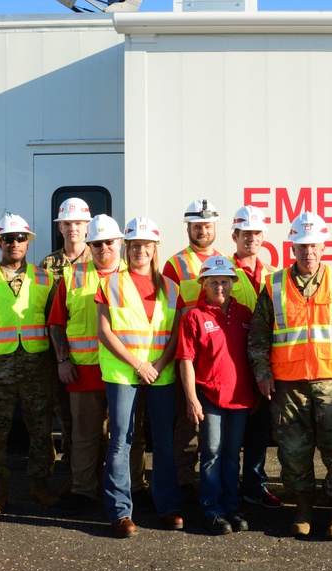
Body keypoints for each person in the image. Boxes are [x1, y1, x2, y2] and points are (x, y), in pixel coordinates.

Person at [248, 211, 332, 540]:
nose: (308, 252)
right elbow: (258, 335)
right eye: (302, 246)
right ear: (293, 248)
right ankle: (303, 510)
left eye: (313, 245)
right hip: (288, 386)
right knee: (293, 454)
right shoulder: (274, 284)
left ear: (322, 246)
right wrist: (262, 373)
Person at [0, 213, 60, 515]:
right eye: (8, 238)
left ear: (28, 242)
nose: (14, 243)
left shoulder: (46, 279)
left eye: (20, 238)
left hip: (37, 369)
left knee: (41, 432)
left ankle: (39, 486)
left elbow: (55, 323)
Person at [95, 216, 183, 538]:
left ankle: (168, 506)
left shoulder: (171, 287)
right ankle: (120, 512)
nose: (140, 251)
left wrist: (158, 364)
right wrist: (139, 364)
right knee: (121, 440)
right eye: (134, 245)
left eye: (146, 245)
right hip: (123, 372)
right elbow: (104, 332)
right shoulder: (110, 283)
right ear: (127, 247)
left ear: (155, 248)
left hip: (161, 372)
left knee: (164, 441)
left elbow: (175, 333)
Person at [47, 214, 127, 510]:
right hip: (84, 370)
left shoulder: (134, 274)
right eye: (97, 243)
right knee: (84, 437)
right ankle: (83, 490)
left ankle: (133, 488)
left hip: (125, 370)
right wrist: (63, 359)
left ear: (119, 243)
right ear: (89, 246)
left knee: (128, 436)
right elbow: (57, 322)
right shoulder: (73, 275)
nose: (104, 248)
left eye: (109, 242)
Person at [178, 257, 255, 535]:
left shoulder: (245, 314)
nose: (219, 287)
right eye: (214, 282)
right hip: (210, 396)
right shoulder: (194, 316)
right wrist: (191, 398)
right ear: (204, 284)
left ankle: (232, 507)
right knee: (211, 454)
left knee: (232, 455)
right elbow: (186, 360)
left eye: (224, 281)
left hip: (241, 397)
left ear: (233, 283)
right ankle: (212, 510)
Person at [164, 199, 222, 502]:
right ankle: (184, 481)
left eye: (207, 226)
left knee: (216, 425)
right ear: (188, 228)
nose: (202, 231)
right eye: (197, 226)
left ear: (215, 228)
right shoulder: (174, 264)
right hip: (187, 354)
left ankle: (214, 481)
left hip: (217, 358)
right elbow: (168, 316)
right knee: (187, 423)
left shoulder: (225, 262)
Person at [229, 206, 282, 510]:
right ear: (235, 236)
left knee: (259, 432)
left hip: (264, 365)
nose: (251, 238)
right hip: (232, 365)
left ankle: (254, 486)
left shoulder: (274, 275)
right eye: (245, 233)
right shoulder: (222, 271)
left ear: (263, 237)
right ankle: (227, 487)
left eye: (256, 233)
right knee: (230, 434)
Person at [40, 197, 92, 494]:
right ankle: (75, 479)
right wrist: (61, 358)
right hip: (60, 358)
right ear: (60, 227)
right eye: (68, 223)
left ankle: (95, 479)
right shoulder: (48, 265)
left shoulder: (100, 258)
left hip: (94, 357)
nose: (73, 228)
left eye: (79, 223)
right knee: (68, 420)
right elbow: (46, 313)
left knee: (98, 424)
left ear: (87, 227)